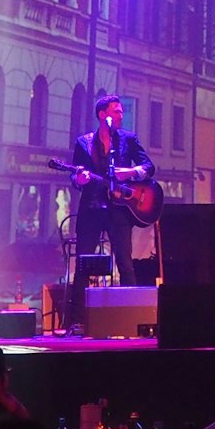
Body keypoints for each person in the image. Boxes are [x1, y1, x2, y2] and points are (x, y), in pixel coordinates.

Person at [66, 94, 155, 332]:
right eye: (116, 111)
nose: (121, 115)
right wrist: (79, 179)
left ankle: (133, 318)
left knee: (125, 264)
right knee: (83, 264)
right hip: (92, 210)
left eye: (121, 111)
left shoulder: (128, 139)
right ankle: (77, 321)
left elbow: (149, 167)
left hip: (119, 212)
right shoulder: (84, 142)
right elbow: (75, 177)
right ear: (102, 115)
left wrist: (131, 172)